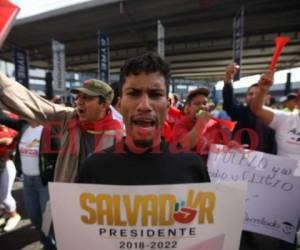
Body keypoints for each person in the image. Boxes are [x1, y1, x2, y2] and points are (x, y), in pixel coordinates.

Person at [78, 52, 210, 185]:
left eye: (155, 94)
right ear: (119, 105)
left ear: (167, 106)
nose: (144, 105)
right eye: (133, 94)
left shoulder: (193, 169)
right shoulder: (93, 170)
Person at [0, 76, 123, 182]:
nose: (79, 102)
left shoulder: (120, 136)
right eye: (78, 97)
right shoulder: (68, 119)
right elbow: (34, 104)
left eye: (87, 98)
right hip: (65, 201)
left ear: (104, 105)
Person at [250, 72, 300, 250]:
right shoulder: (286, 120)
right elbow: (256, 109)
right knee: (287, 236)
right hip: (286, 190)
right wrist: (262, 90)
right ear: (298, 102)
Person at [222, 63, 277, 154]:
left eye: (258, 93)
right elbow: (229, 102)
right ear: (245, 98)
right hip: (240, 160)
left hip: (267, 163)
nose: (253, 96)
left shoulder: (275, 117)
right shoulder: (241, 112)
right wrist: (228, 80)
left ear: (267, 98)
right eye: (250, 94)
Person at [172, 87, 226, 163]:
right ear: (189, 107)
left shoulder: (215, 124)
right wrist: (201, 122)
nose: (202, 106)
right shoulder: (180, 123)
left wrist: (231, 149)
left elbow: (221, 149)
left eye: (205, 103)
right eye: (197, 104)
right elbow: (183, 147)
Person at [0, 123, 21, 232]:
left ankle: (14, 215)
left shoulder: (11, 130)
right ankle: (5, 213)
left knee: (4, 196)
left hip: (6, 165)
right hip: (4, 163)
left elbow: (11, 143)